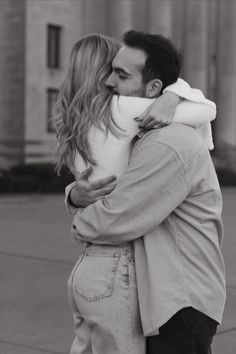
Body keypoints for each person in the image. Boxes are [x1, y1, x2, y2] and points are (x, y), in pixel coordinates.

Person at [56, 32, 224, 354]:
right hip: (164, 292)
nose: (108, 83)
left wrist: (79, 215)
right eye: (110, 71)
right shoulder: (145, 127)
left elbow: (117, 217)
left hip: (180, 299)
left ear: (153, 88)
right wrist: (175, 96)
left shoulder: (168, 140)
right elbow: (204, 108)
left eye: (120, 75)